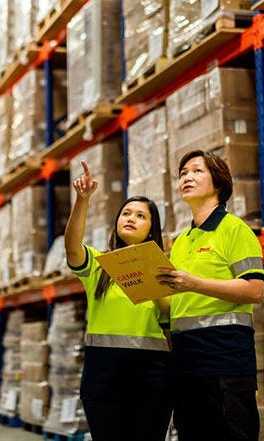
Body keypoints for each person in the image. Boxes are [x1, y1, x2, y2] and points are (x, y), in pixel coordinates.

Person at [156, 150, 264, 441]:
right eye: (182, 174)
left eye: (196, 171)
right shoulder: (181, 242)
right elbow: (182, 306)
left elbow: (255, 289)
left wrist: (194, 283)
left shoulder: (235, 230)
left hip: (224, 364)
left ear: (218, 183)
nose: (186, 177)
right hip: (187, 366)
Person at [64, 160, 172, 441]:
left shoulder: (165, 269)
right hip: (104, 377)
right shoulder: (99, 267)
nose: (131, 218)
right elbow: (72, 247)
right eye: (126, 213)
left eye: (140, 215)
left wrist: (156, 284)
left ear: (151, 229)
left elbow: (172, 319)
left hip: (151, 375)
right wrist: (83, 200)